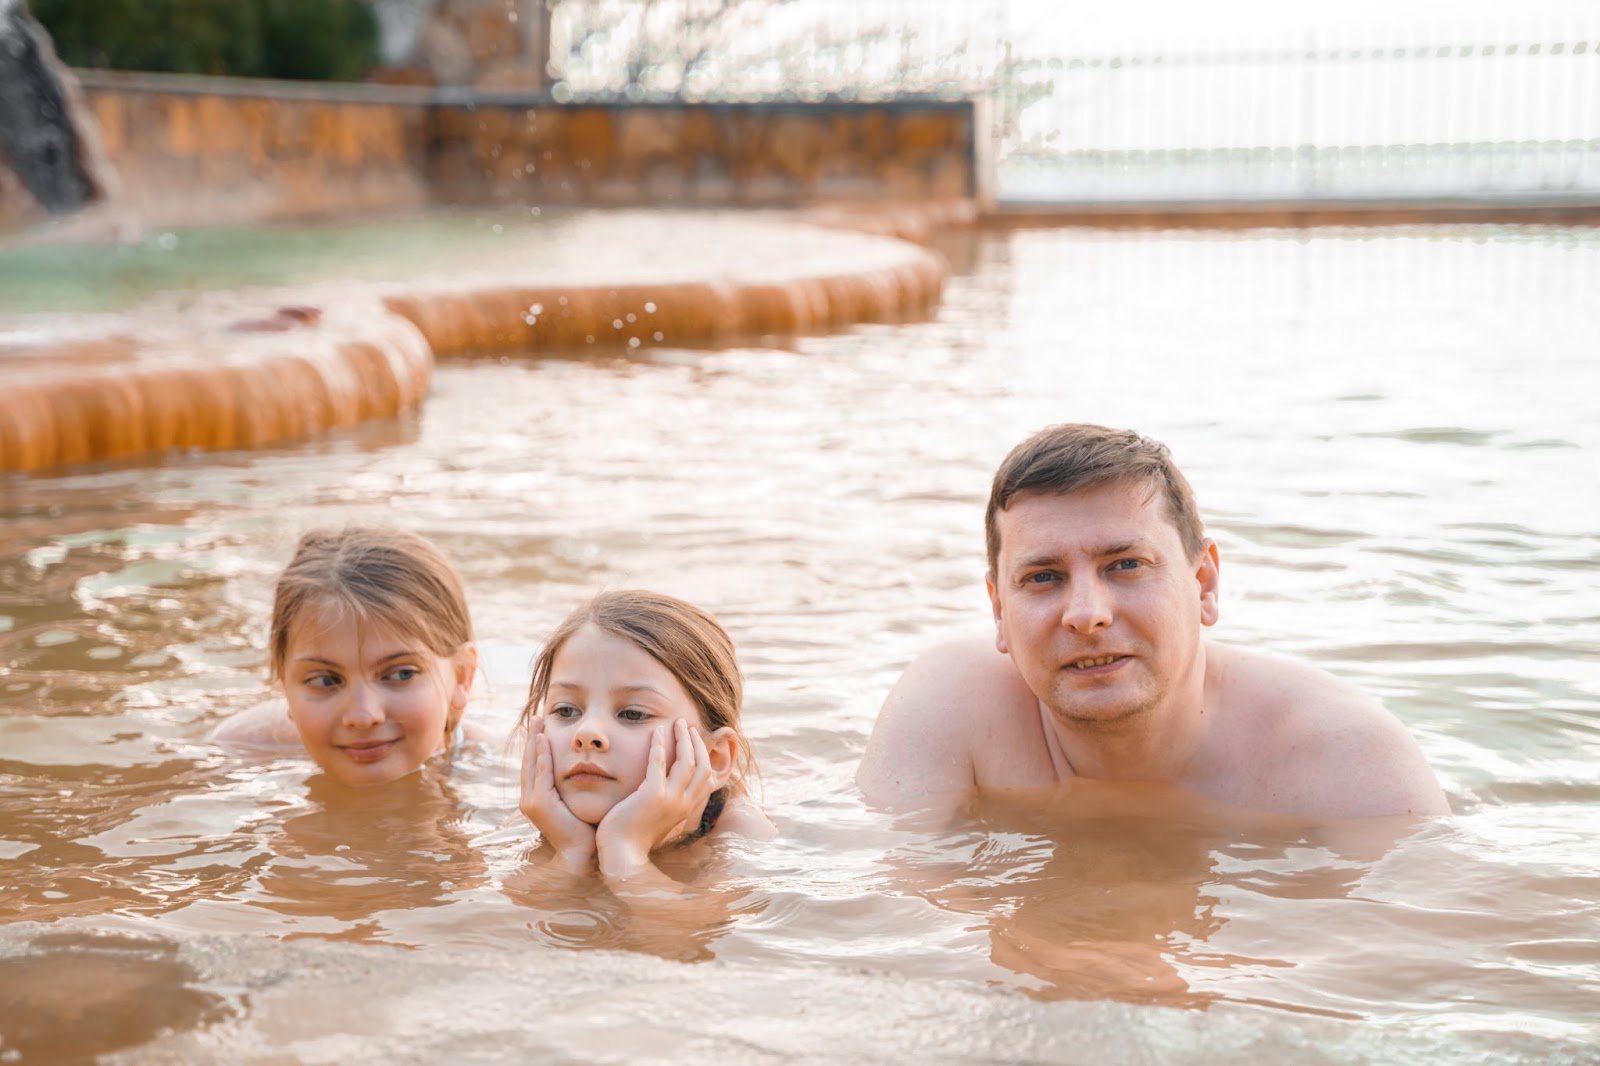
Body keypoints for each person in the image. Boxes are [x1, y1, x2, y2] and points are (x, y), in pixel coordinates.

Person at [857, 423, 1449, 820]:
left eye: (1126, 565)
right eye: (1043, 577)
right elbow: (874, 914)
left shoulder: (1343, 761)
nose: (1087, 615)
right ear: (998, 612)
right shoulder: (953, 705)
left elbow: (1404, 971)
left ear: (1204, 584)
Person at [518, 590, 774, 887]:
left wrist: (624, 852)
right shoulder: (539, 816)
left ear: (715, 758)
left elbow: (673, 933)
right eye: (566, 710)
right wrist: (571, 853)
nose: (586, 733)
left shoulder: (741, 837)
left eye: (633, 714)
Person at [209, 526, 479, 789]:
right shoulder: (237, 751)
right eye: (325, 680)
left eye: (401, 674)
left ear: (461, 677)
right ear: (283, 685)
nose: (363, 716)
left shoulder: (503, 772)